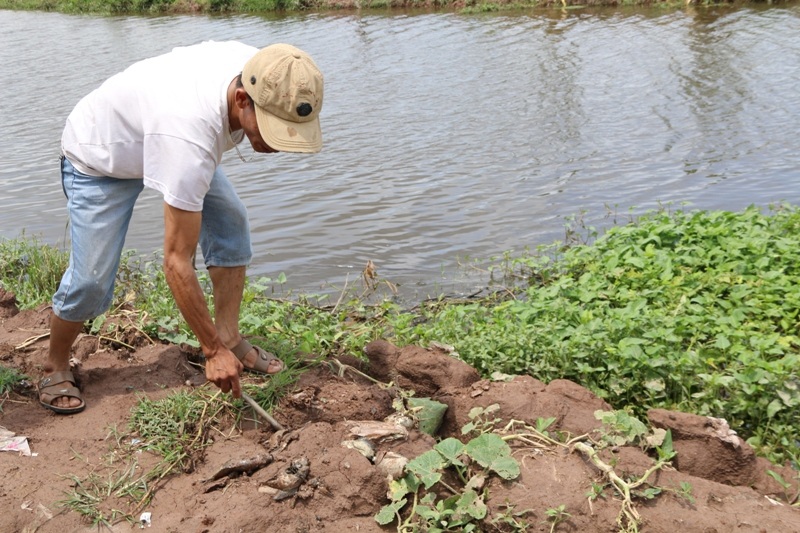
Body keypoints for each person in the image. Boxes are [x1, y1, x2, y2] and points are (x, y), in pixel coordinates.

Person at [37, 41, 324, 414]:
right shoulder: (188, 136)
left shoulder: (273, 71)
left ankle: (230, 336)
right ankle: (54, 365)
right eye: (273, 128)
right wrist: (211, 352)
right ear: (241, 99)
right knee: (90, 279)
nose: (278, 143)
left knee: (230, 223)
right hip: (100, 156)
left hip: (160, 132)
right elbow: (176, 262)